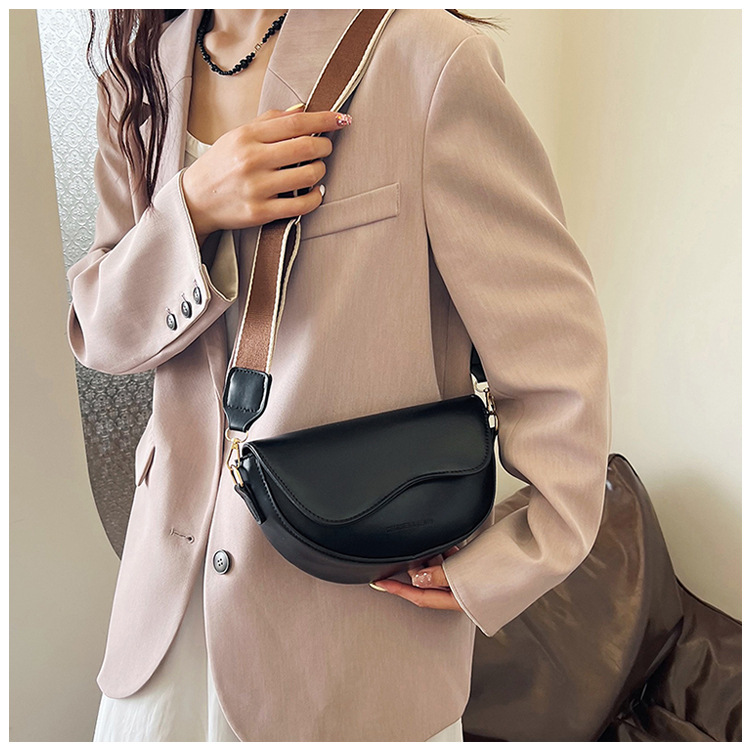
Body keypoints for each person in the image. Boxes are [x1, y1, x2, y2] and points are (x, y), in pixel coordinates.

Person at [67, 9, 612, 742]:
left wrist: (520, 553)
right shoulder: (137, 83)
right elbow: (102, 331)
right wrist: (193, 207)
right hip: (164, 627)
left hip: (354, 628)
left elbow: (552, 340)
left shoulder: (426, 59)